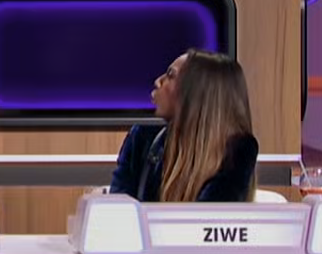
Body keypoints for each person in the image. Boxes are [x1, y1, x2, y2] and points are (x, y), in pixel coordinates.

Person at [109, 49, 259, 202]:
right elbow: (119, 205)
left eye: (170, 75)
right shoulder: (143, 137)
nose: (158, 81)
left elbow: (213, 213)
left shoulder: (238, 149)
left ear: (197, 92)